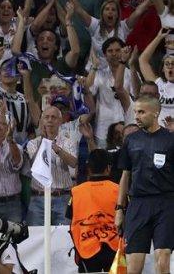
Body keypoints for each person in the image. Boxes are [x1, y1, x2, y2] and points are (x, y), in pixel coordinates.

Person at [115, 95, 174, 274]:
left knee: (163, 257)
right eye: (135, 112)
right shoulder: (131, 141)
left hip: (166, 203)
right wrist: (119, 209)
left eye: (141, 112)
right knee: (133, 267)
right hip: (138, 204)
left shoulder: (171, 140)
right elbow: (125, 176)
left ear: (155, 112)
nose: (137, 116)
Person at [67, 149, 119, 273]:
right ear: (108, 168)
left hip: (86, 248)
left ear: (89, 169)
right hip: (114, 247)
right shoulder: (118, 190)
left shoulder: (77, 192)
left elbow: (70, 216)